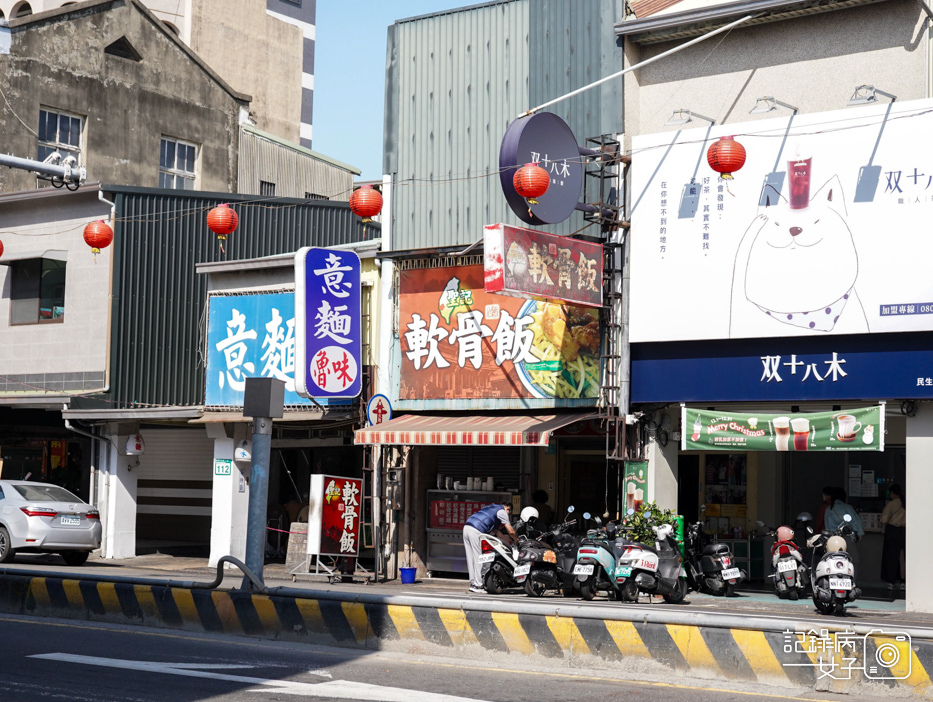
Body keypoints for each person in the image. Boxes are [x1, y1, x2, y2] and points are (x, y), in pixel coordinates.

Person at [462, 502, 517, 594]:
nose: (508, 514)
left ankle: (473, 584)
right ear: (508, 509)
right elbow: (510, 530)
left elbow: (496, 531)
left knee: (470, 557)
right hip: (476, 530)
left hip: (467, 527)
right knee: (478, 557)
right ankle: (479, 585)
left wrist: (507, 541)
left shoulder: (491, 508)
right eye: (509, 512)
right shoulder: (502, 512)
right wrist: (516, 540)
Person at [824, 487, 865, 565]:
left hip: (833, 539)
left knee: (832, 561)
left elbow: (827, 526)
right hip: (847, 539)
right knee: (853, 561)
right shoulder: (848, 508)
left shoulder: (828, 509)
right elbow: (856, 522)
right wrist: (858, 534)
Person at [880, 483, 906, 590]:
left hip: (892, 531)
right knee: (902, 556)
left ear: (892, 493)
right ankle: (903, 581)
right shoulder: (905, 503)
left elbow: (884, 519)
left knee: (890, 556)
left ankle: (891, 581)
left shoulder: (891, 504)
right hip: (903, 531)